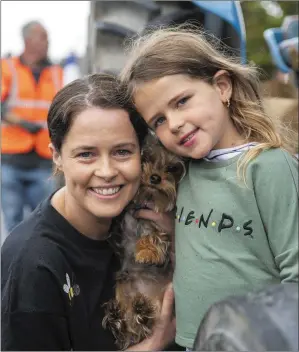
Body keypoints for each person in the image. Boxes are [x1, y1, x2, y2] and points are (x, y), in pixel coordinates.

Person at [120, 26, 299, 350]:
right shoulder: (184, 171)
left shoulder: (267, 168)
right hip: (196, 342)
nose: (173, 123)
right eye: (158, 120)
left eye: (182, 101)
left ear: (222, 87)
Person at [1, 74, 176, 351]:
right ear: (56, 155)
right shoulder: (34, 265)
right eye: (86, 154)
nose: (106, 172)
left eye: (122, 152)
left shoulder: (141, 222)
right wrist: (152, 346)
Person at [1, 20, 63, 234]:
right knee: (13, 225)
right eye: (43, 37)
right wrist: (21, 123)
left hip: (44, 162)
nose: (48, 42)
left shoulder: (56, 72)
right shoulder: (7, 68)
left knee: (44, 224)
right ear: (28, 41)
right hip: (11, 160)